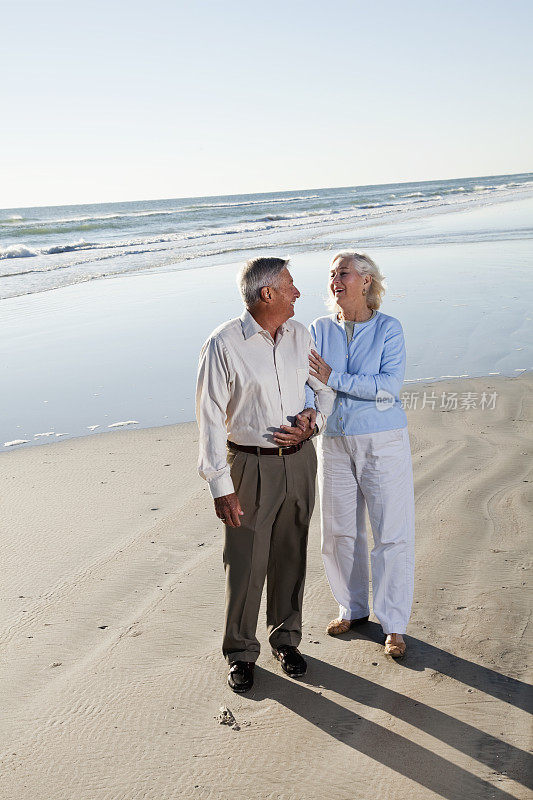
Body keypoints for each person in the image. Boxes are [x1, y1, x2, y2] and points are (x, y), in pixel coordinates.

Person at [196, 257, 334, 692]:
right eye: (290, 285)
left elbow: (323, 389)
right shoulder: (224, 344)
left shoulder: (301, 334)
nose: (298, 292)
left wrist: (314, 415)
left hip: (300, 460)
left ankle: (286, 640)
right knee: (245, 562)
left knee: (291, 553)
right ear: (266, 294)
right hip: (249, 466)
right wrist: (221, 487)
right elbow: (209, 419)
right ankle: (240, 651)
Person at [308, 251, 415, 658]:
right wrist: (310, 414)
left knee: (391, 530)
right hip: (332, 439)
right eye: (332, 274)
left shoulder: (389, 329)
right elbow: (310, 381)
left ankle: (393, 624)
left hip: (382, 439)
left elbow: (388, 388)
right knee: (337, 530)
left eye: (344, 273)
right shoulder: (319, 329)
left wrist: (335, 379)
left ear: (366, 281)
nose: (335, 279)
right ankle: (351, 608)